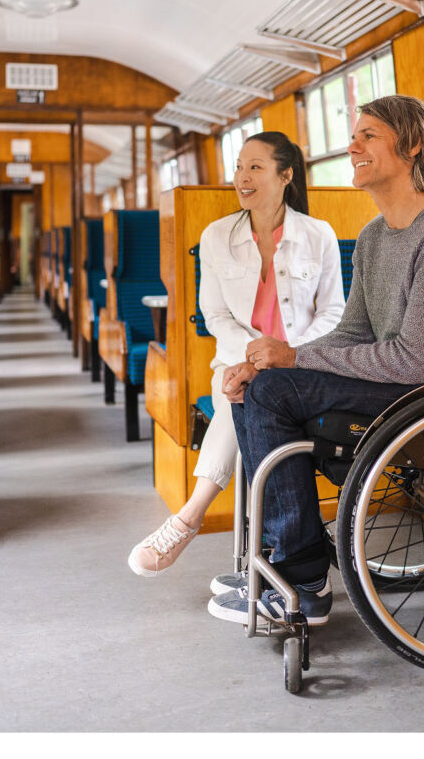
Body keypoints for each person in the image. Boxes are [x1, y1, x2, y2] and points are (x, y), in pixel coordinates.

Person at [208, 94, 424, 627]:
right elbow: (353, 332)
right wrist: (278, 361)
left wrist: (292, 360)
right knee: (257, 384)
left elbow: (415, 360)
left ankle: (301, 577)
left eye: (368, 135)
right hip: (408, 383)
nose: (352, 145)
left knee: (272, 390)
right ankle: (288, 562)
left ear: (414, 144)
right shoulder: (375, 236)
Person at [128, 131, 345, 577]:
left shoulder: (319, 234)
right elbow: (215, 315)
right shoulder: (215, 236)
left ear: (286, 175)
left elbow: (334, 316)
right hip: (234, 363)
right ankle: (202, 519)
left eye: (255, 167)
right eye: (239, 167)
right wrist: (251, 360)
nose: (242, 177)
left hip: (302, 367)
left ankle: (190, 516)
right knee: (242, 389)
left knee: (253, 389)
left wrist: (285, 353)